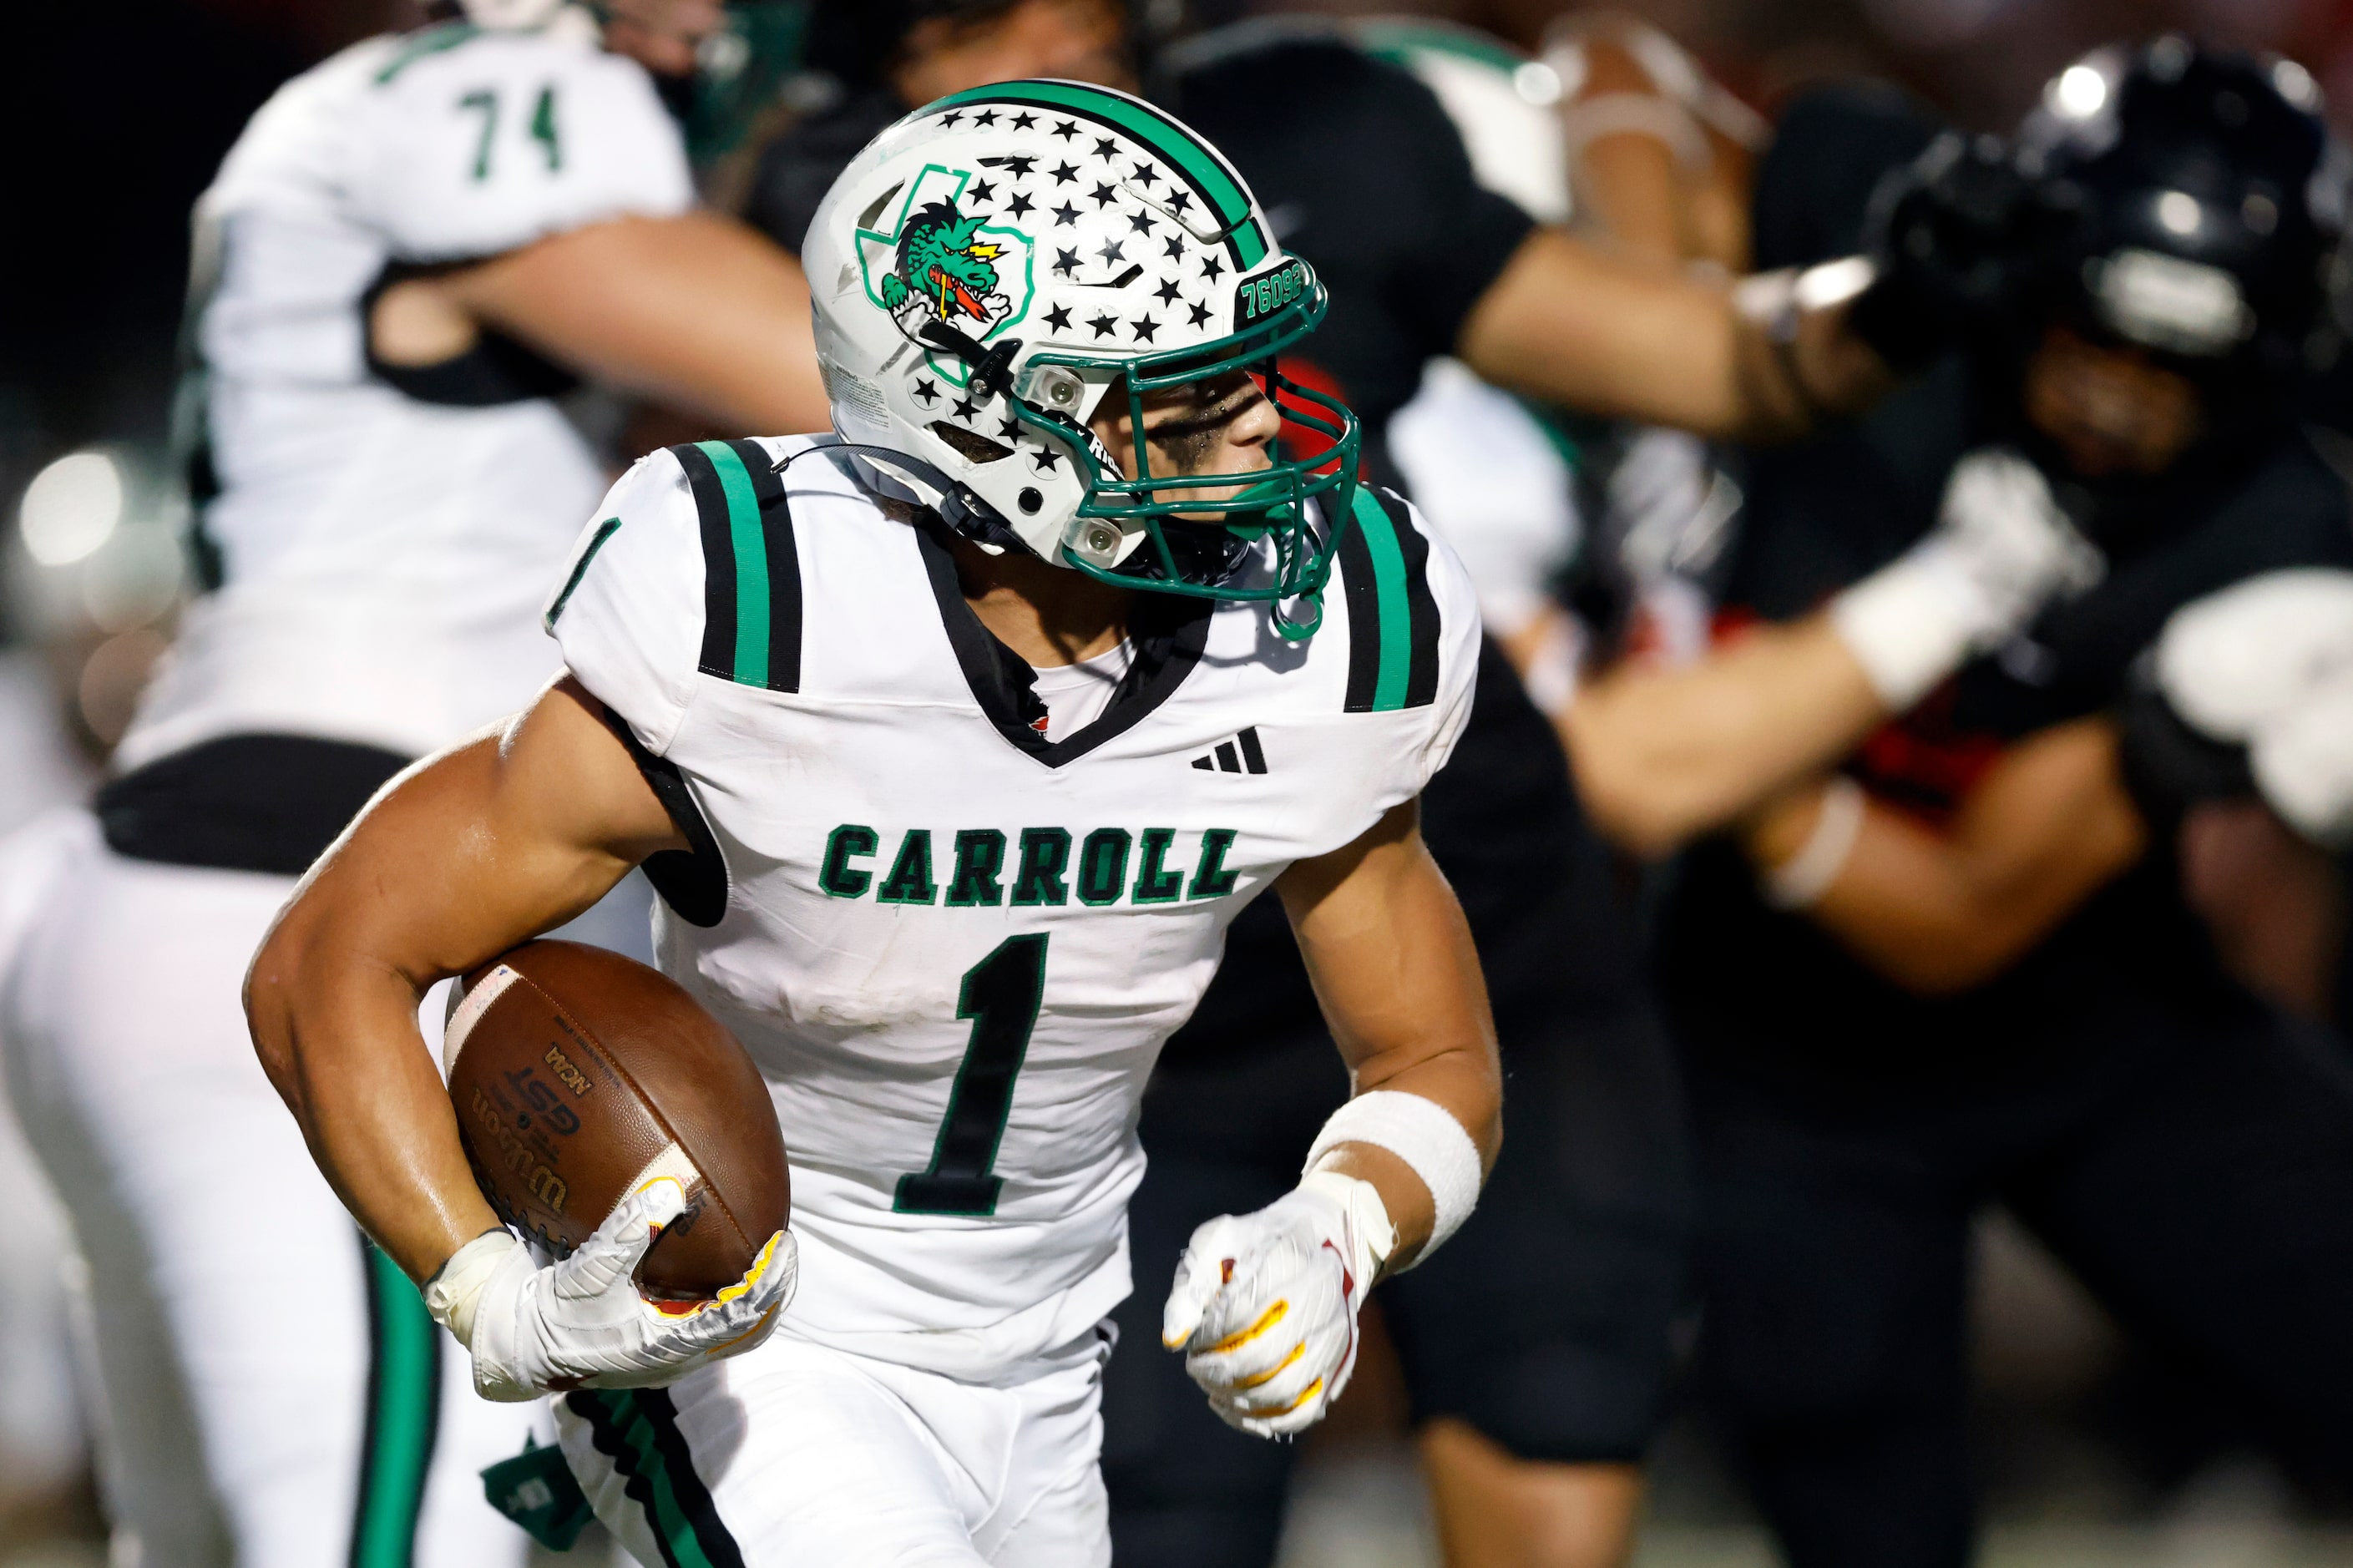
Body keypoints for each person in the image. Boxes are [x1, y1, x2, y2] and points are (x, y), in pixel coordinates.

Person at [743, 9, 2108, 1566]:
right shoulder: (818, 240)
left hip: (1452, 903)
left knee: (1549, 1405)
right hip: (1123, 1006)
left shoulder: (1320, 143)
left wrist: (1897, 291)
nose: (1255, 423)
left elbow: (1713, 354)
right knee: (1149, 1517)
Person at [247, 79, 1505, 1565]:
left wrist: (1340, 1225)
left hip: (1054, 1357)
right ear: (989, 412)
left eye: (1248, 367)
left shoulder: (1326, 638)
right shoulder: (767, 620)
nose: (1257, 426)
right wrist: (489, 1290)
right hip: (755, 1335)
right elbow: (331, 959)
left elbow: (1431, 1053)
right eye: (1180, 389)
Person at [0, 2, 832, 1562]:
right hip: (326, 932)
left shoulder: (368, 108)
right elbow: (856, 375)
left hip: (191, 888)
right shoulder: (511, 96)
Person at [1642, 42, 2353, 1567]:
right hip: (1776, 1053)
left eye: (2180, 369)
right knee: (1866, 1518)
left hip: (2078, 1013)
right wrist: (1651, 415)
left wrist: (1733, 764)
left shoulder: (2274, 527)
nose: (2117, 396)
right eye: (2099, 332)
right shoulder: (1871, 229)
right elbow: (1617, 92)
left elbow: (1957, 916)